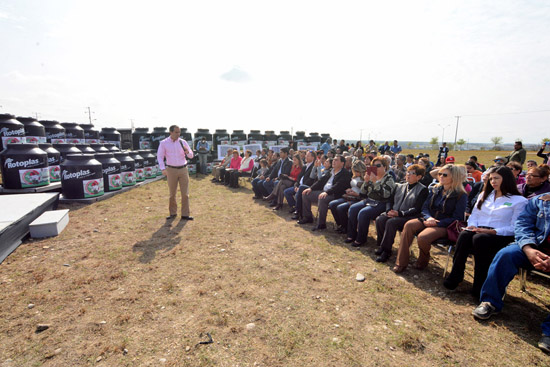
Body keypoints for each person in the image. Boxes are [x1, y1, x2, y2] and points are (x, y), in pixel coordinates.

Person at [471, 192, 550, 354]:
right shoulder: (540, 200)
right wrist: (528, 248)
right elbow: (523, 223)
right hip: (533, 246)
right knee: (505, 255)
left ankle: (549, 332)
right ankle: (490, 301)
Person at [443, 166, 527, 297]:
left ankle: (480, 285)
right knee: (465, 235)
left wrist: (492, 231)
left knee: (480, 239)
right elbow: (474, 215)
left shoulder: (519, 200)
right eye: (491, 178)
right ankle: (455, 276)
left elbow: (514, 227)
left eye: (497, 178)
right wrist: (472, 226)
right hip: (479, 230)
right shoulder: (485, 195)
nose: (493, 181)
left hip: (501, 235)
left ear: (507, 179)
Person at [393, 164, 468, 273]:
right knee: (409, 225)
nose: (441, 176)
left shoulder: (461, 195)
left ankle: (423, 259)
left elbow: (457, 218)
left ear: (454, 177)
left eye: (445, 175)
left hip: (444, 224)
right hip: (428, 219)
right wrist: (429, 218)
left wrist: (437, 223)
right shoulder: (435, 189)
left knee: (423, 237)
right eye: (439, 174)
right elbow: (425, 207)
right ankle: (401, 262)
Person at [374, 164, 429, 262]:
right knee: (380, 219)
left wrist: (400, 213)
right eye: (408, 172)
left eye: (412, 173)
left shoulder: (423, 190)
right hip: (395, 213)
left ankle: (387, 251)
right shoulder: (399, 186)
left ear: (419, 177)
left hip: (409, 217)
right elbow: (390, 200)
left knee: (391, 222)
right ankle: (382, 246)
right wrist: (389, 210)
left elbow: (417, 208)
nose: (408, 175)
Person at [345, 156, 396, 247]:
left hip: (381, 203)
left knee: (363, 213)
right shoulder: (373, 176)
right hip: (369, 200)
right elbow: (363, 193)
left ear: (385, 167)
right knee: (353, 208)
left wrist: (376, 182)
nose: (375, 168)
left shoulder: (389, 179)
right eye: (374, 166)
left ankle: (361, 239)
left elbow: (386, 195)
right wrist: (366, 181)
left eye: (378, 165)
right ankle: (352, 234)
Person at [299, 155, 351, 231]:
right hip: (324, 192)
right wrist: (310, 188)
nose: (333, 161)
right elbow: (321, 181)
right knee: (306, 194)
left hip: (335, 194)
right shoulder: (331, 171)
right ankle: (308, 217)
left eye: (336, 160)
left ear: (342, 163)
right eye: (333, 160)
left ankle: (321, 224)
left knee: (322, 199)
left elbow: (338, 186)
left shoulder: (345, 173)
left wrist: (327, 192)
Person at [157, 125, 194, 220]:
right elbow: (160, 156)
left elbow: (191, 155)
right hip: (171, 170)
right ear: (171, 132)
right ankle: (173, 213)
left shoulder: (183, 142)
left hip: (183, 169)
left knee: (185, 193)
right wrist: (163, 168)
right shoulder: (164, 143)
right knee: (172, 194)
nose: (178, 134)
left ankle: (185, 214)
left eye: (179, 132)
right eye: (176, 132)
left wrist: (187, 152)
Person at [329, 159, 366, 233]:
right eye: (355, 171)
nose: (356, 173)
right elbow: (351, 186)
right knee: (332, 204)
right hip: (349, 196)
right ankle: (341, 224)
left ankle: (346, 227)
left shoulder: (366, 179)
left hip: (358, 198)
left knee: (340, 208)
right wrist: (348, 190)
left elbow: (365, 193)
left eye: (357, 171)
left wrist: (357, 194)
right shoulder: (353, 176)